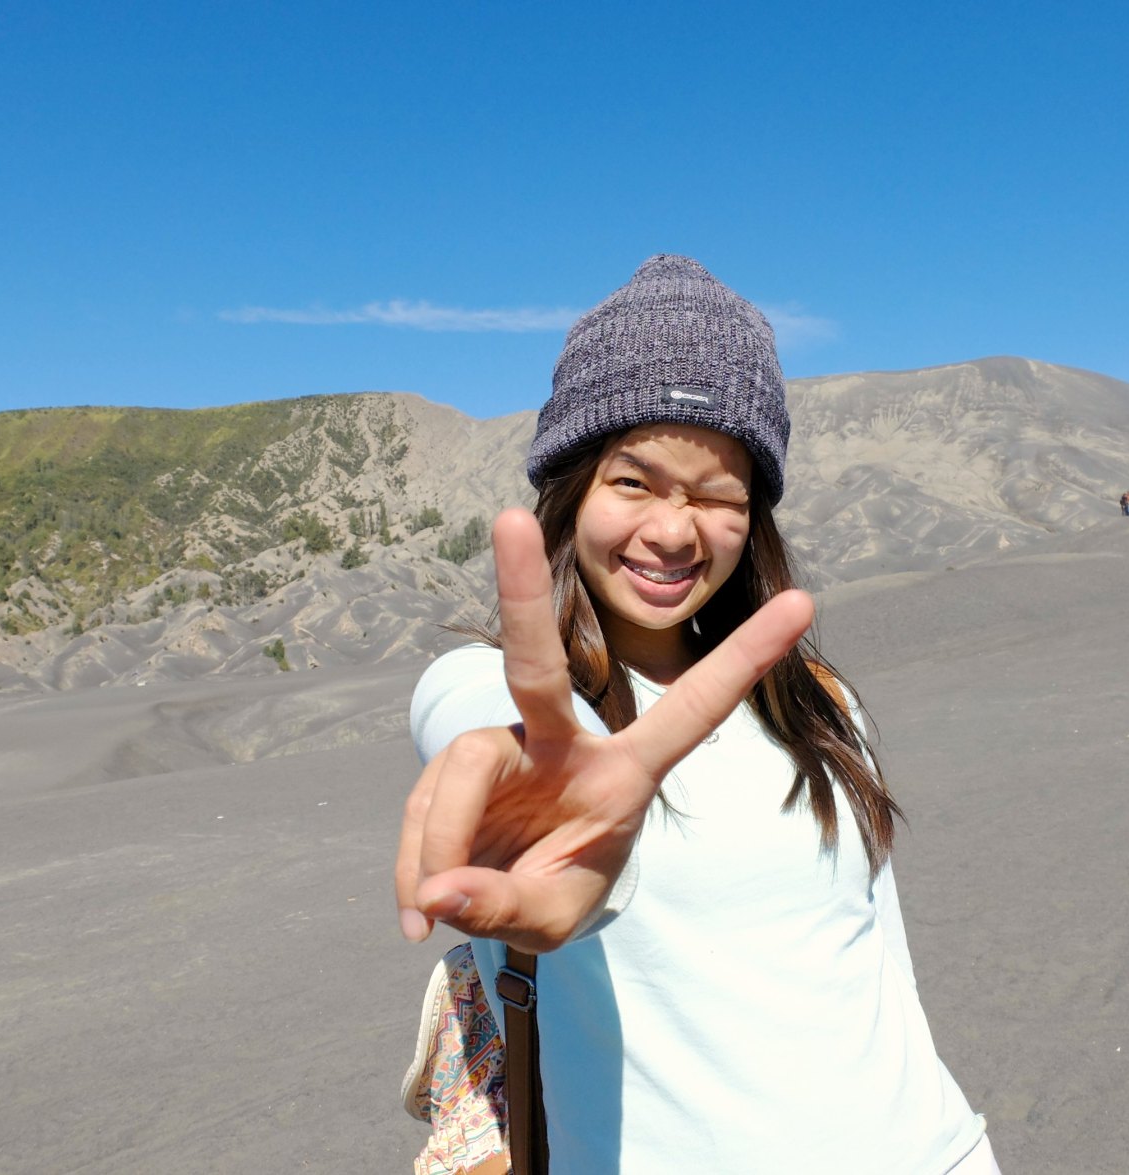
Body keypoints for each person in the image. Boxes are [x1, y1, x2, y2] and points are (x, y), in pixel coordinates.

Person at [396, 255, 997, 1173]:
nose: (675, 532)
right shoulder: (489, 694)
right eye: (632, 482)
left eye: (719, 494)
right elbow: (484, 734)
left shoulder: (817, 705)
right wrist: (572, 817)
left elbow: (877, 965)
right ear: (569, 490)